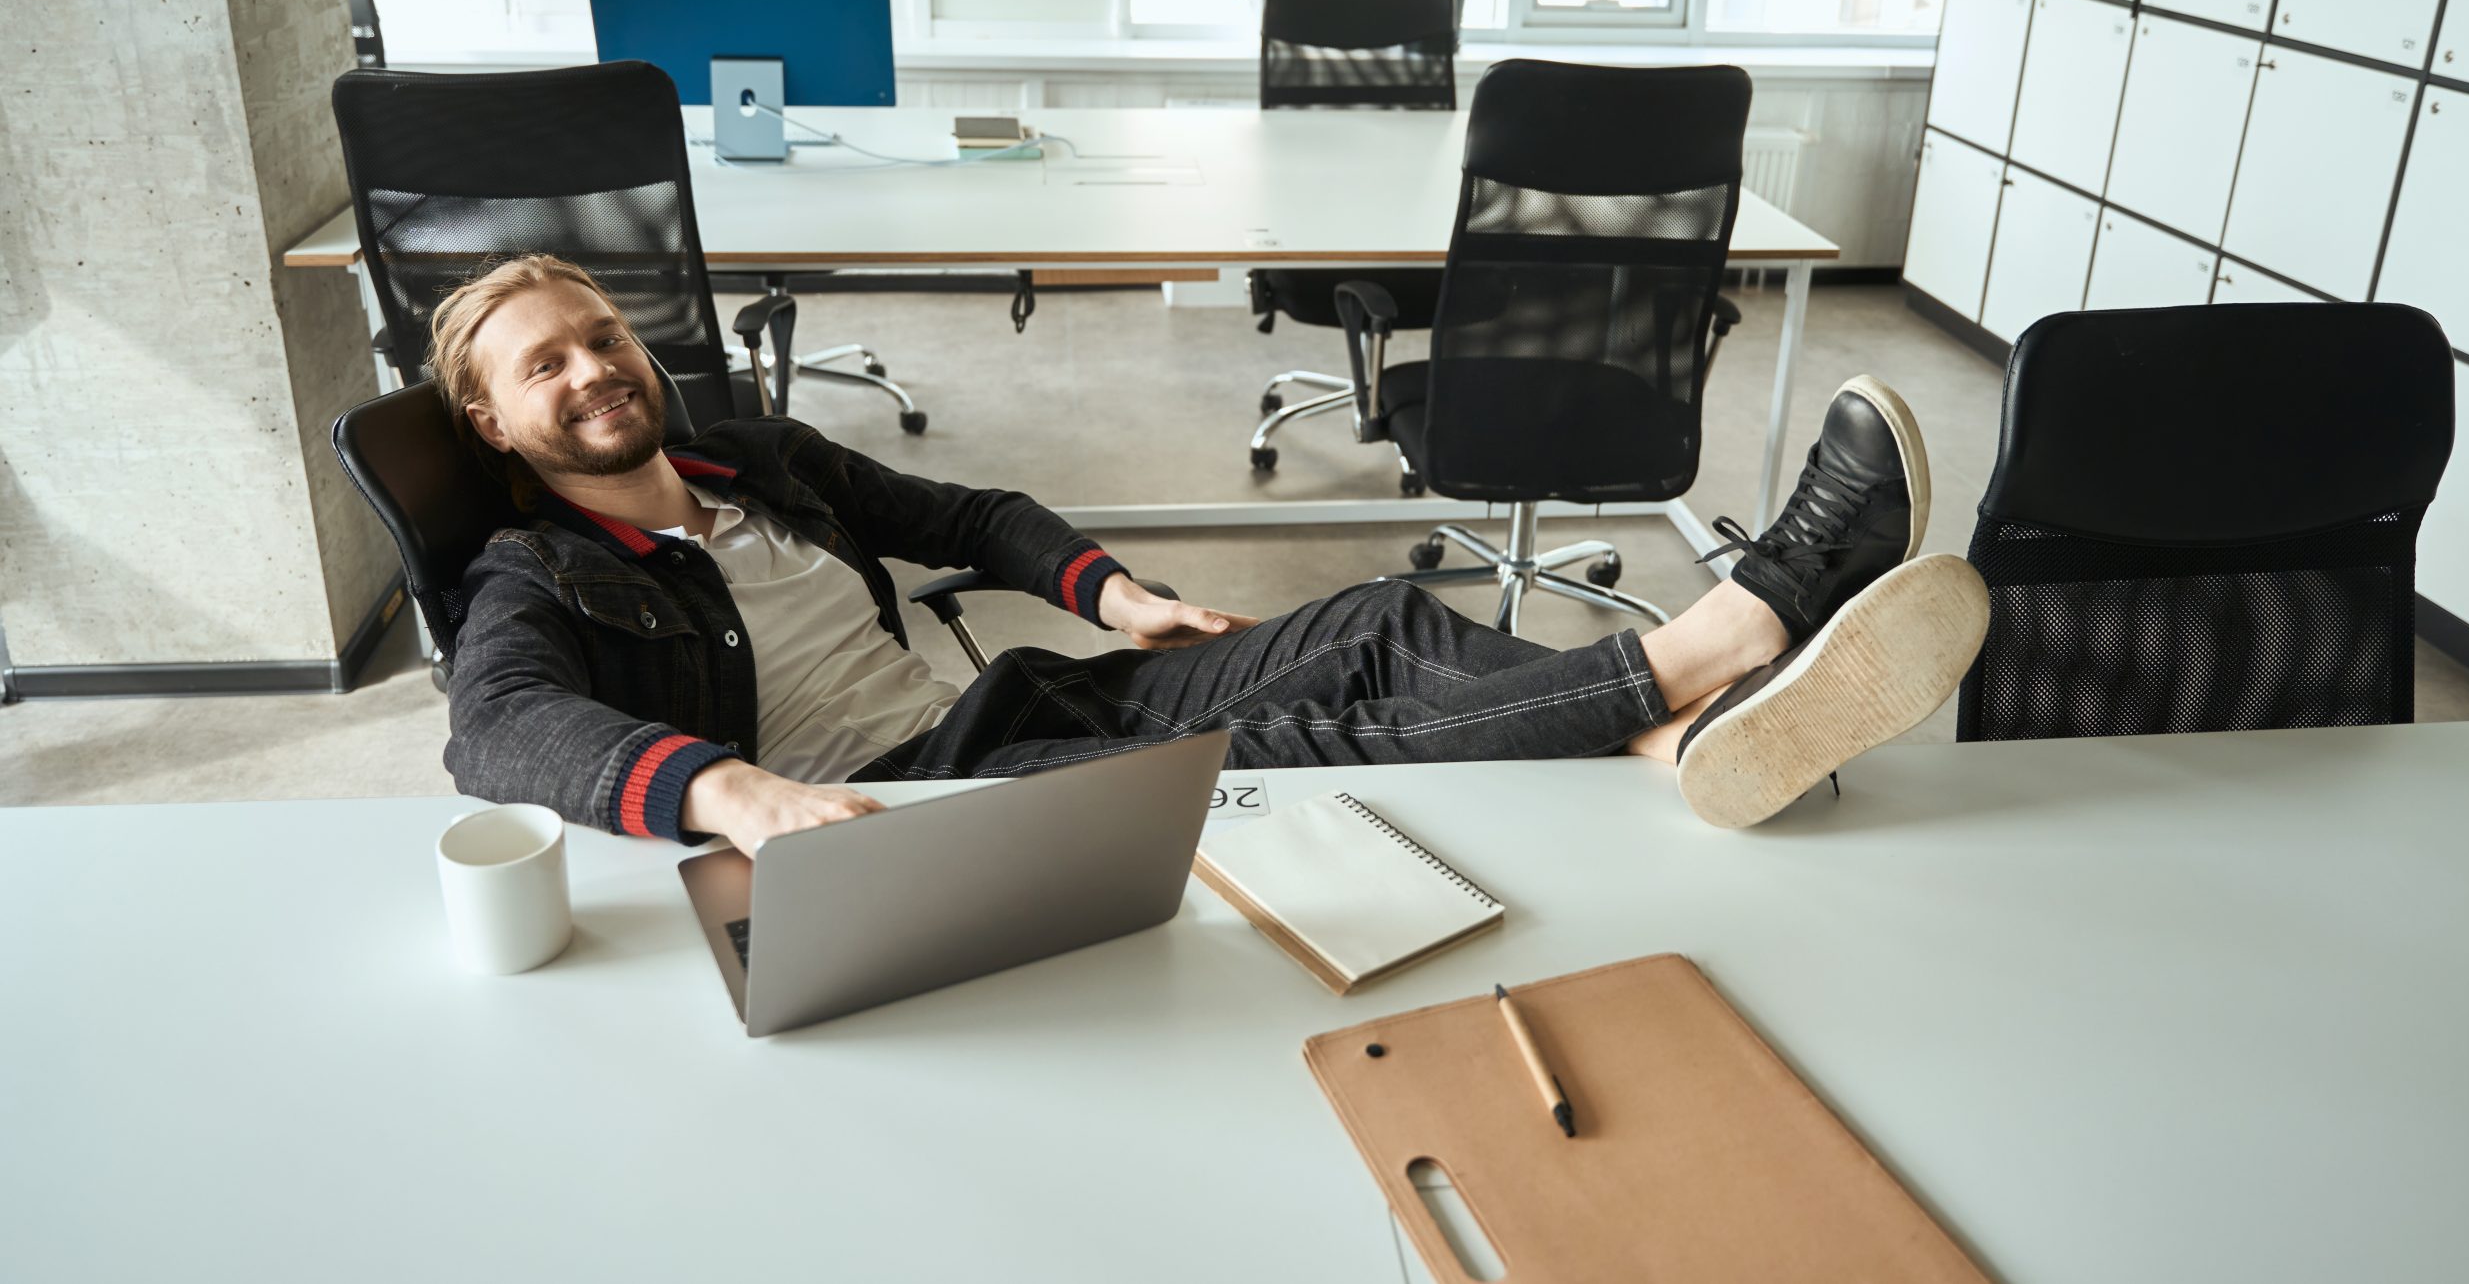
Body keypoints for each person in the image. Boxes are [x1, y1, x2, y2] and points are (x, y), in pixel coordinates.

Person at [432, 254, 1988, 851]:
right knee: (1313, 739)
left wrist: (1118, 592)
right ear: (495, 426)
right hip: (917, 809)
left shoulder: (751, 457)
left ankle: (1683, 742)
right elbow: (496, 727)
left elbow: (970, 520)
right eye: (542, 369)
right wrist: (728, 790)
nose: (592, 373)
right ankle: (1735, 631)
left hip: (1023, 710)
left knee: (1386, 609)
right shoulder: (536, 576)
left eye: (600, 337)